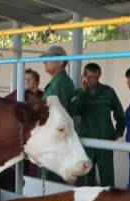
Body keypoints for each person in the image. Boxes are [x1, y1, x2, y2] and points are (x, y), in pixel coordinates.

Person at [70, 62, 125, 187]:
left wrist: (118, 131)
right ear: (84, 76)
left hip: (105, 140)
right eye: (89, 77)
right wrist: (82, 92)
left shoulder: (108, 92)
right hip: (86, 141)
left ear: (100, 75)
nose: (93, 80)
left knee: (107, 178)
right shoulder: (78, 93)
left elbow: (120, 113)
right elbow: (74, 110)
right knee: (86, 178)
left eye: (96, 77)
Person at [37, 45, 75, 184]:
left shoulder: (60, 83)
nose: (44, 62)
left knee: (50, 184)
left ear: (60, 62)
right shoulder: (57, 82)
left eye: (48, 59)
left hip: (55, 143)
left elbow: (59, 116)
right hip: (52, 141)